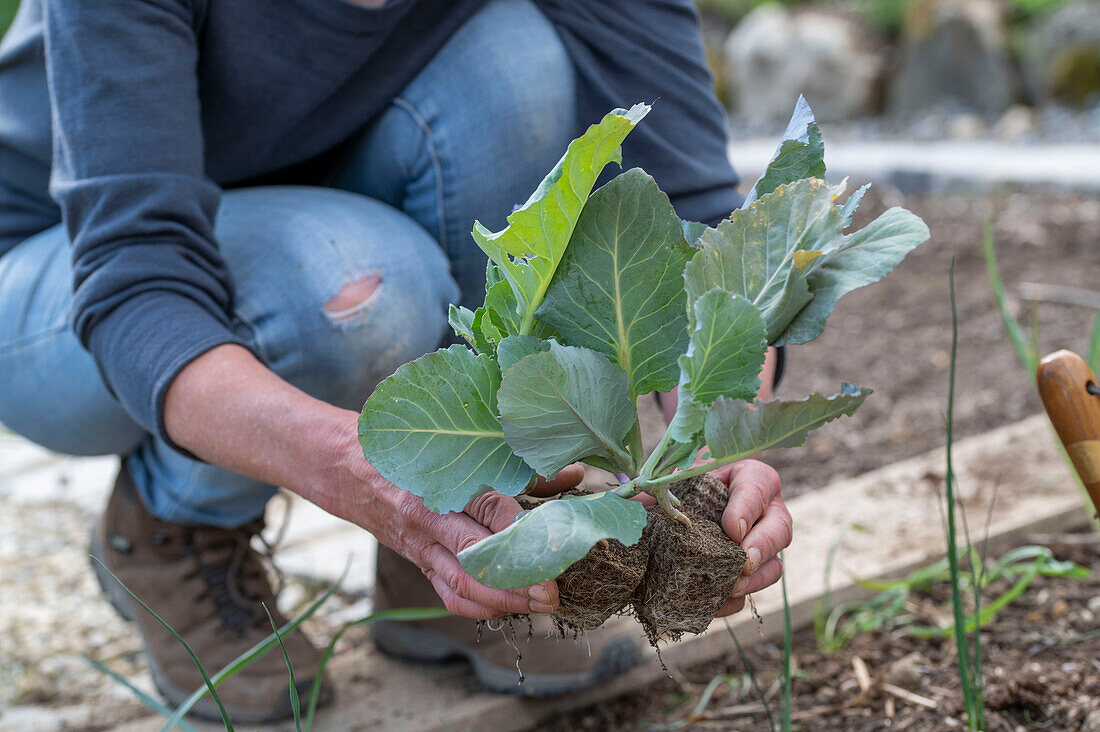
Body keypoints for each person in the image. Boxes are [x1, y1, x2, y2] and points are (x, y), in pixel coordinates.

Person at [0, 0, 793, 722]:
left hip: (321, 191)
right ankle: (175, 524)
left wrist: (715, 445)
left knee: (511, 67)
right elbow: (138, 288)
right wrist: (372, 478)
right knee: (361, 293)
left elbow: (695, 210)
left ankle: (444, 566)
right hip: (57, 267)